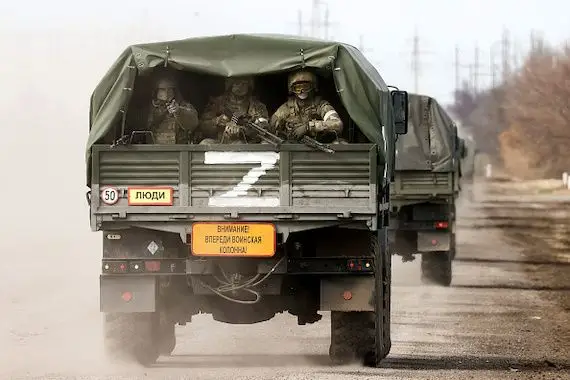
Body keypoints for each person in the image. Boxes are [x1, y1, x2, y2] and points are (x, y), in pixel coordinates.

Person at [269, 69, 345, 144]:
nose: (302, 90)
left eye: (305, 86)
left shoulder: (321, 105)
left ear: (313, 86)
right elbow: (270, 129)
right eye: (298, 88)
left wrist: (309, 127)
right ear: (292, 89)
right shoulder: (286, 108)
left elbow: (337, 124)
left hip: (320, 148)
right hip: (294, 149)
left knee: (340, 144)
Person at [198, 77, 270, 144]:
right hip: (219, 143)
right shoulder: (216, 103)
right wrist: (216, 121)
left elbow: (263, 128)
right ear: (231, 84)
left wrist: (242, 131)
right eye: (237, 83)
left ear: (249, 85)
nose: (240, 86)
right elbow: (202, 126)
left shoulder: (257, 106)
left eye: (244, 83)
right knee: (205, 143)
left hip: (246, 144)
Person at [146, 73, 199, 144]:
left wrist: (179, 111)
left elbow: (193, 123)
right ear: (156, 91)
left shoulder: (183, 105)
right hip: (154, 150)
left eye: (170, 89)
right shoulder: (149, 107)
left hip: (179, 149)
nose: (167, 93)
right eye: (162, 89)